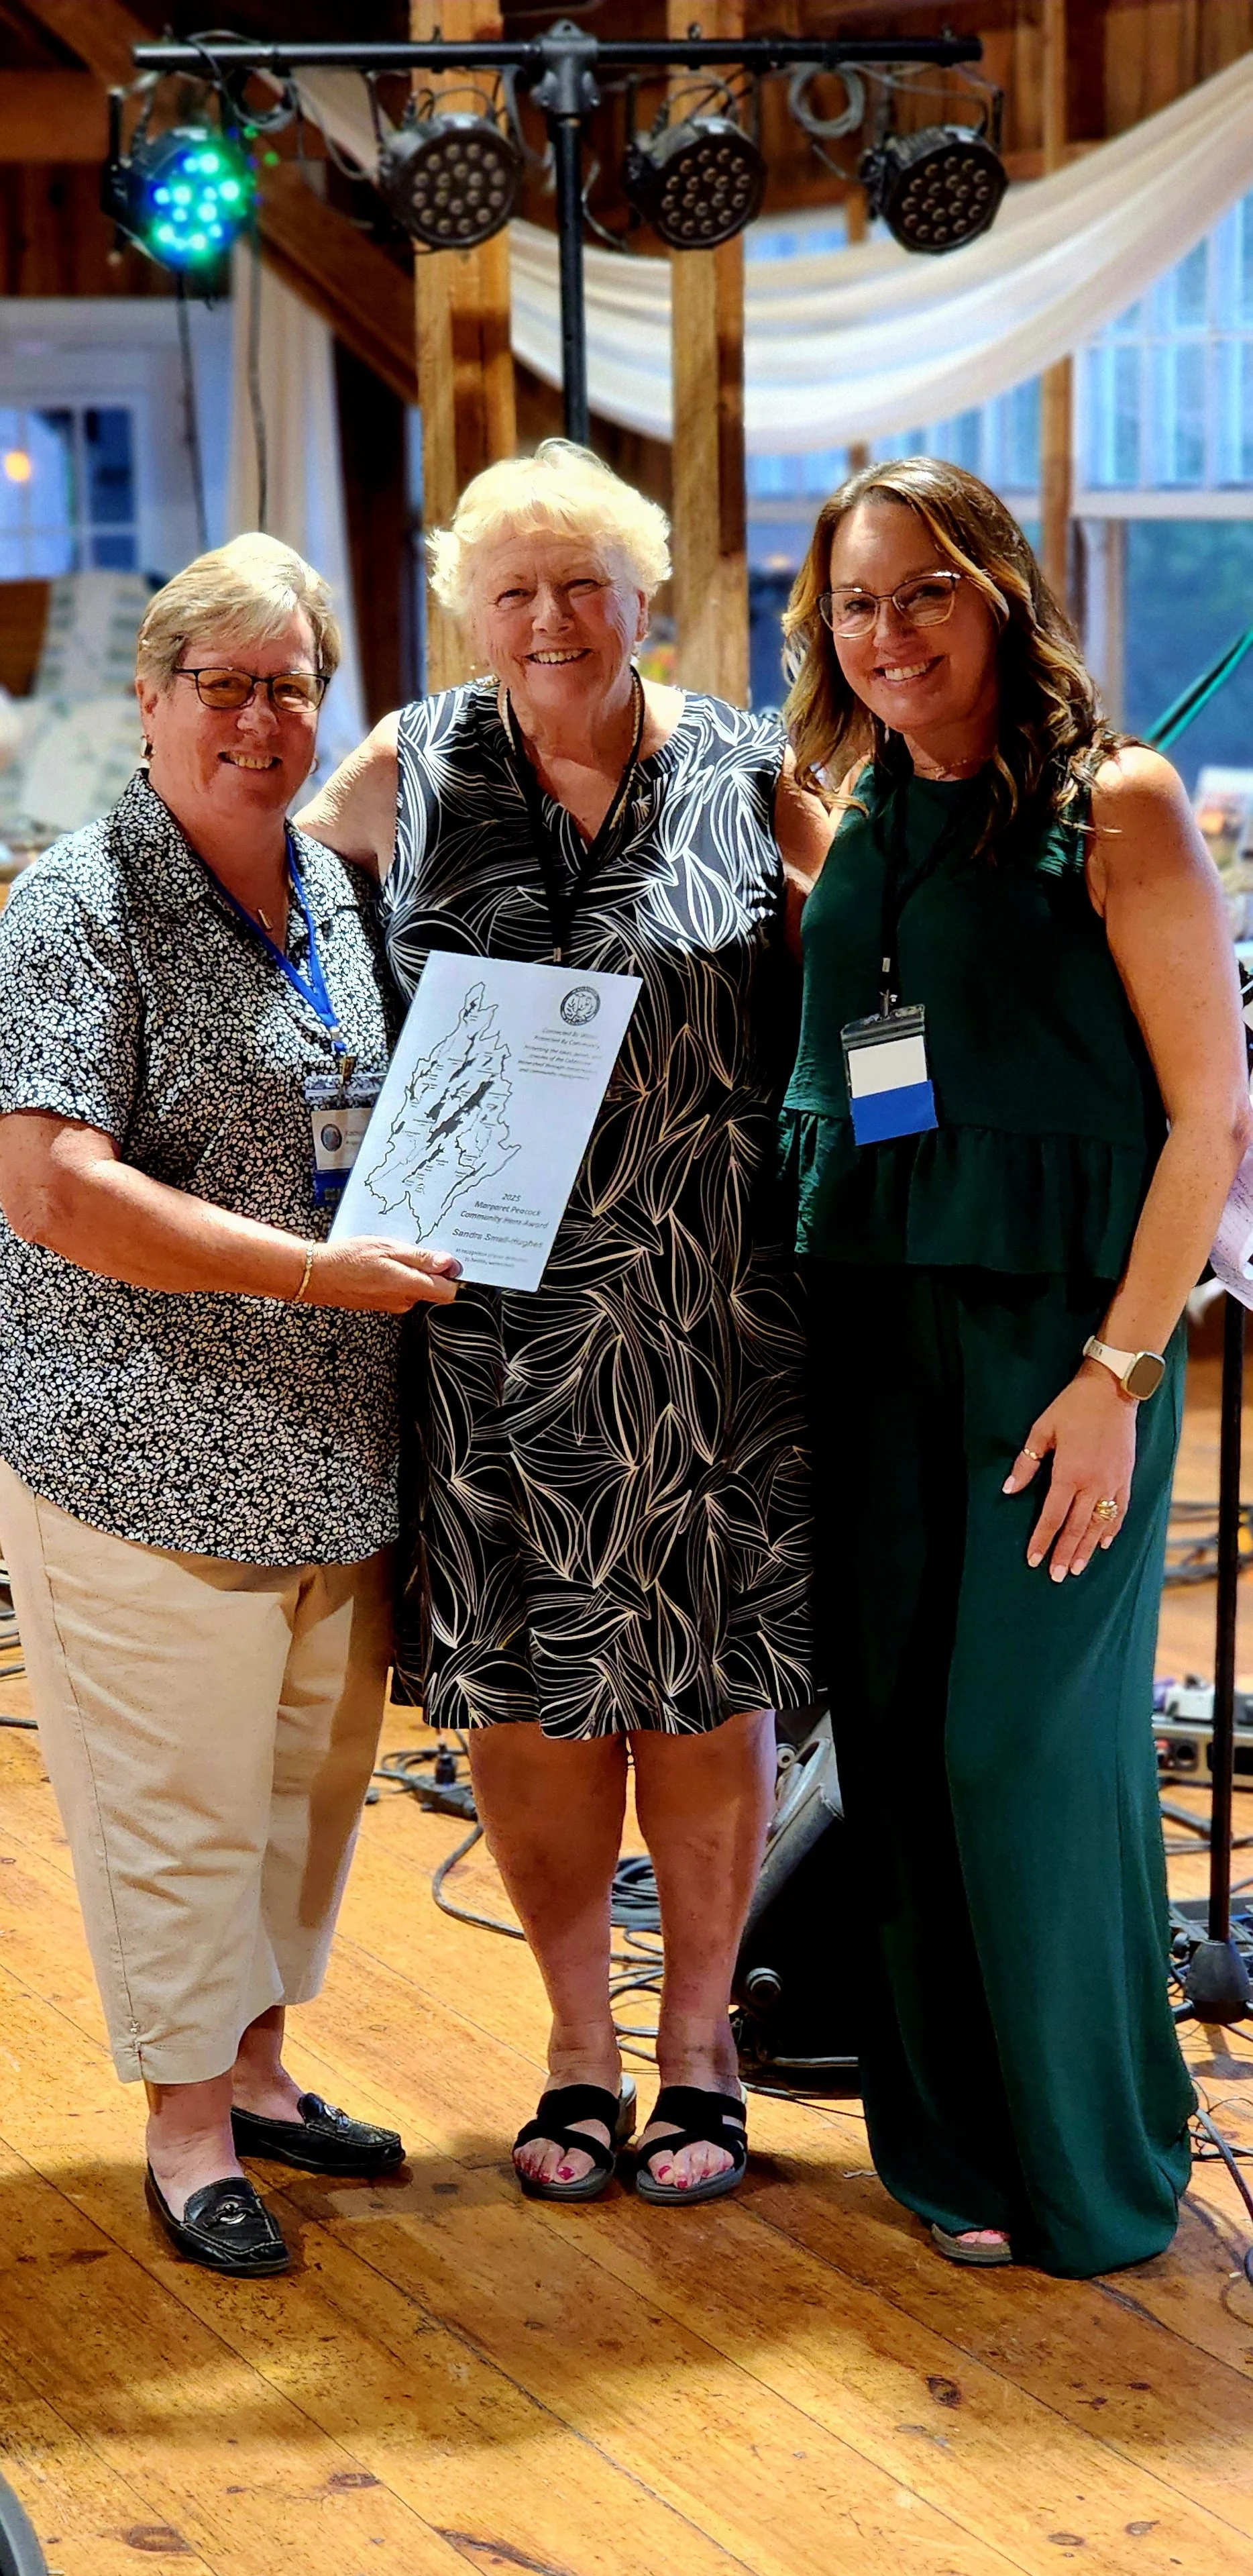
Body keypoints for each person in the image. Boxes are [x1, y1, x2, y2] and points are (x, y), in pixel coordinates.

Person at [301, 440, 832, 2204]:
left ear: (645, 598)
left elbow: (883, 954)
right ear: (468, 607)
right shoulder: (407, 768)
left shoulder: (748, 769)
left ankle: (699, 2048)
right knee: (530, 1694)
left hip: (711, 1325)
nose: (549, 618)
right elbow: (271, 945)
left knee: (705, 1691)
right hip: (487, 1328)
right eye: (512, 589)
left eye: (582, 584)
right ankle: (574, 2046)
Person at [778, 455, 1250, 2277]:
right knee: (896, 1747)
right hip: (872, 1340)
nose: (888, 630)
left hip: (1064, 1348)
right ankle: (954, 2146)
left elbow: (1207, 1118)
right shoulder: (861, 809)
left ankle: (1093, 2156)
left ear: (1000, 592)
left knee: (1018, 1749)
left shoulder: (1115, 806)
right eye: (855, 601)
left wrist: (1119, 1374)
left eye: (925, 590)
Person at [0, 534, 459, 2278]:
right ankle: (187, 2133)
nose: (260, 720)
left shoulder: (329, 889)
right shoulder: (77, 904)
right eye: (226, 685)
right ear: (152, 698)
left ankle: (257, 2077)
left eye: (292, 686)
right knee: (178, 1812)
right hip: (138, 1448)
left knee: (299, 1801)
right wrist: (310, 1273)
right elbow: (52, 1188)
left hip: (329, 1446)